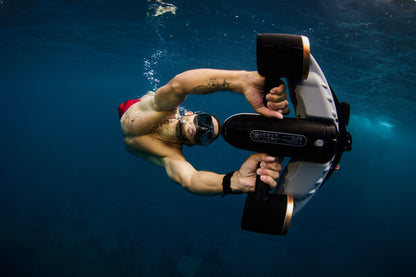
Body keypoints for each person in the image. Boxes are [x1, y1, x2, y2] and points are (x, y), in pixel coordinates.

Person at [118, 69, 290, 196]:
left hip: (131, 137)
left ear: (193, 144)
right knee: (155, 96)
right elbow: (180, 85)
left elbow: (190, 180)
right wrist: (243, 81)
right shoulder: (165, 108)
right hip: (129, 108)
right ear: (191, 113)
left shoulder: (170, 155)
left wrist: (235, 181)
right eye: (204, 121)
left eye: (206, 136)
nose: (201, 129)